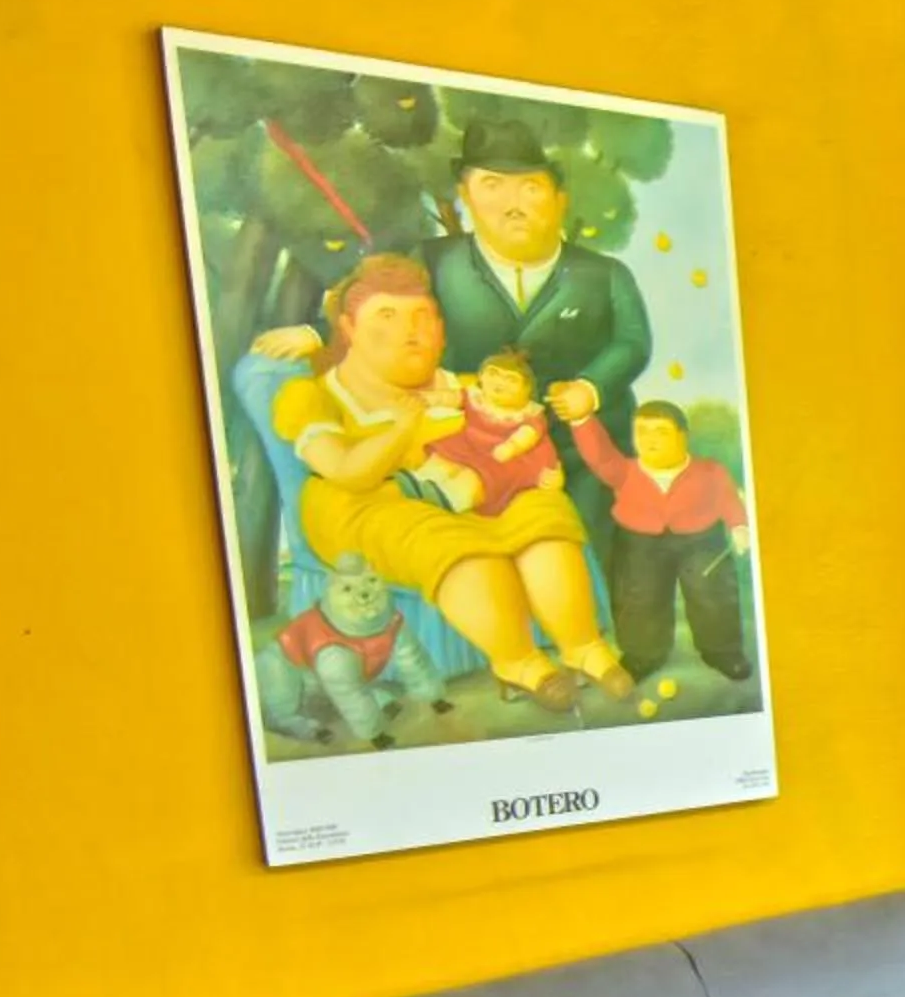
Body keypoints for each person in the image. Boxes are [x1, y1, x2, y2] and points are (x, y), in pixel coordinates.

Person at [258, 118, 652, 573]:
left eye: (530, 188)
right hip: (474, 446)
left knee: (587, 558)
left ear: (559, 199)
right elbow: (373, 296)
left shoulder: (605, 275)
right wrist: (315, 334)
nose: (512, 205)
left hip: (584, 451)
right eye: (491, 185)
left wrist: (591, 387)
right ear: (465, 195)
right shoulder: (435, 261)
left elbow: (633, 342)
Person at [265, 253, 634, 710]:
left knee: (543, 515)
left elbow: (521, 433)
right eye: (388, 316)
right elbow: (346, 471)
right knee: (455, 547)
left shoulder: (470, 388)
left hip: (481, 490)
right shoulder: (314, 395)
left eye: (424, 316)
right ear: (349, 328)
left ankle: (583, 646)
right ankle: (517, 661)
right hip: (372, 503)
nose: (411, 331)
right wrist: (402, 425)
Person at [563, 396, 753, 682]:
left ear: (682, 436)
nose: (650, 439)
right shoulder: (625, 471)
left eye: (661, 431)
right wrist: (581, 421)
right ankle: (643, 655)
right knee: (640, 596)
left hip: (700, 538)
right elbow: (599, 455)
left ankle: (722, 650)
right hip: (639, 540)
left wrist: (739, 526)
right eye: (642, 431)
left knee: (711, 592)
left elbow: (727, 498)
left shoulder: (710, 470)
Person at [432, 350, 566, 516]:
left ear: (527, 390)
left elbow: (527, 436)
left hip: (507, 458)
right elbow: (454, 398)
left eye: (511, 379)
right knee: (444, 457)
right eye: (493, 373)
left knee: (477, 477)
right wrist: (433, 398)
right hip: (472, 444)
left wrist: (512, 446)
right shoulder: (477, 398)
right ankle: (424, 479)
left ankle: (453, 497)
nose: (500, 382)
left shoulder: (528, 414)